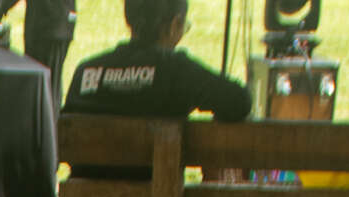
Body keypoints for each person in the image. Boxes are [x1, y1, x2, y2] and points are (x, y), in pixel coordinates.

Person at [61, 0, 250, 123]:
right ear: (174, 25)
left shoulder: (86, 71)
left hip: (87, 185)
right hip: (156, 185)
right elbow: (240, 101)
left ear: (129, 20)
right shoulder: (177, 71)